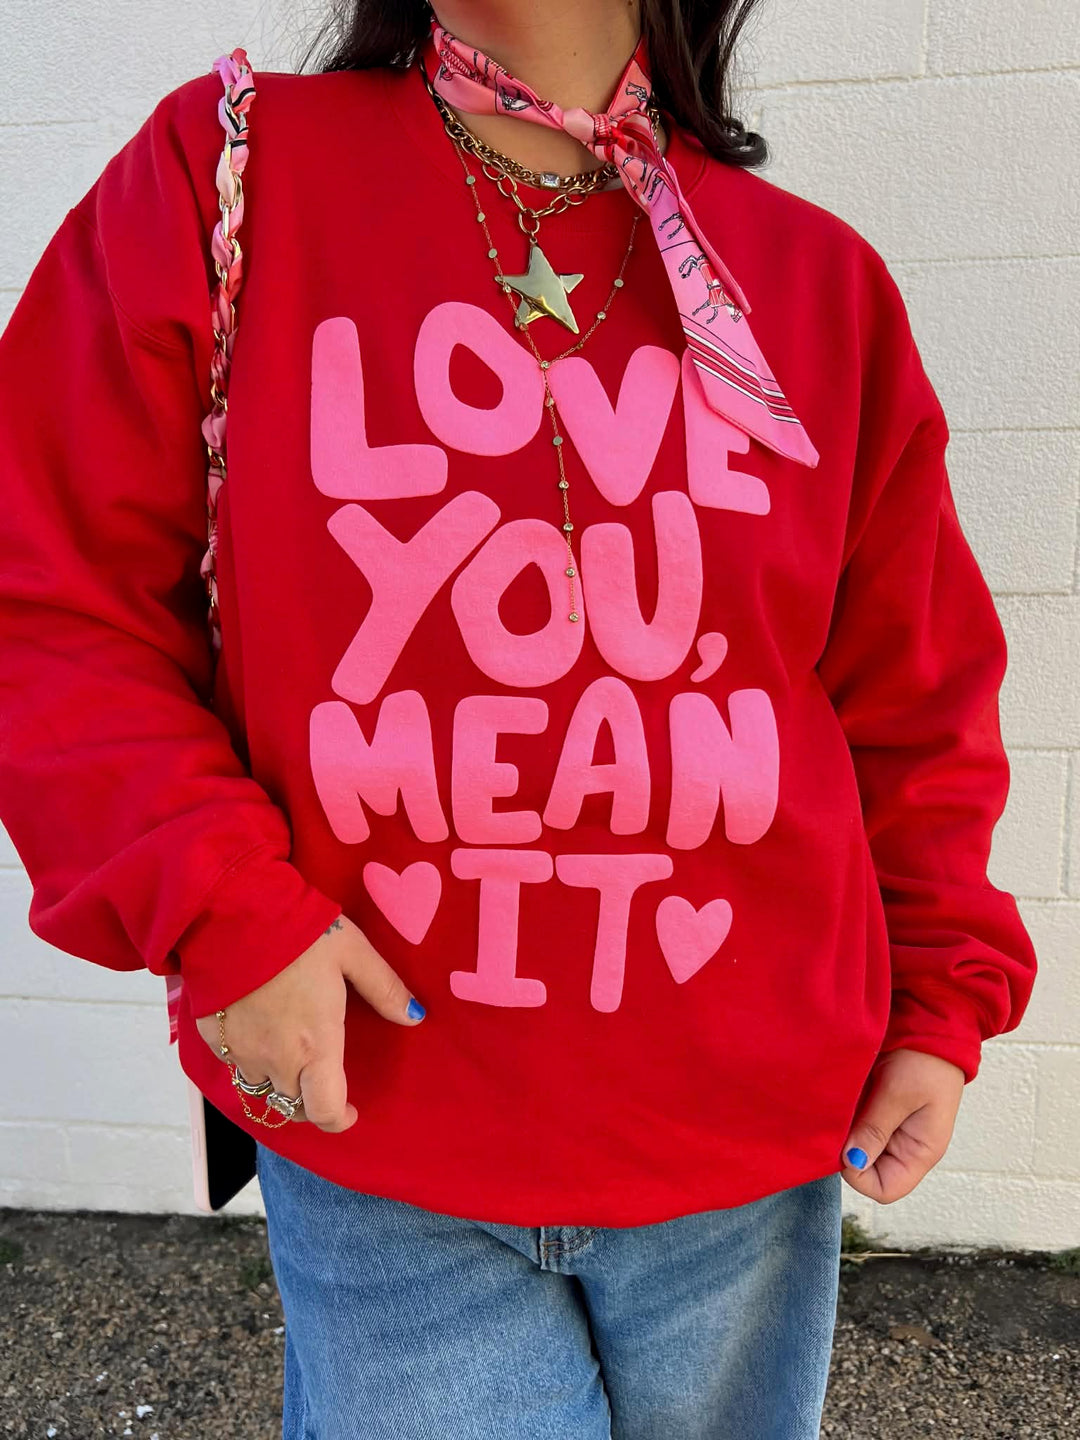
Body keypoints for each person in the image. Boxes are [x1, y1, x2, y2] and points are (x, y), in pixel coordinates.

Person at [0, 1, 1039, 1437]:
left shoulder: (814, 283)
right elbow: (47, 590)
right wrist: (221, 904)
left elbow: (912, 701)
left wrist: (942, 992)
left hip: (747, 1139)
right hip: (379, 1115)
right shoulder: (230, 176)